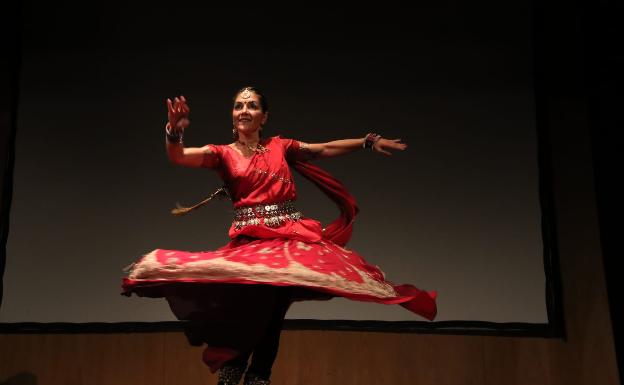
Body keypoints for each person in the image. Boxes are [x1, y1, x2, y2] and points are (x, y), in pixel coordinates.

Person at [122, 87, 437, 385]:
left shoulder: (280, 147)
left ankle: (244, 374)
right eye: (239, 105)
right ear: (232, 115)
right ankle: (244, 371)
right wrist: (173, 130)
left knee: (272, 308)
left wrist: (366, 142)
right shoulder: (221, 154)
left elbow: (323, 148)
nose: (244, 109)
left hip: (290, 241)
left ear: (264, 116)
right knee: (263, 310)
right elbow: (178, 156)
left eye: (252, 105)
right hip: (251, 245)